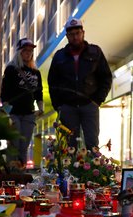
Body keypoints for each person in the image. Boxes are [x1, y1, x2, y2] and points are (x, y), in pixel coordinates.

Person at [47, 18, 112, 150]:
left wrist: (97, 100)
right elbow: (52, 82)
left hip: (89, 104)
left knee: (92, 143)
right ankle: (69, 170)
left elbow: (106, 77)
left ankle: (92, 170)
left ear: (83, 33)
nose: (75, 37)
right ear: (67, 36)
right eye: (71, 34)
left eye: (78, 33)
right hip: (68, 107)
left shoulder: (95, 52)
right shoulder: (59, 56)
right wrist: (58, 105)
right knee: (70, 146)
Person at [0, 37, 44, 167]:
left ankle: (21, 175)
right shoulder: (11, 69)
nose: (28, 53)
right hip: (14, 113)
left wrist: (41, 108)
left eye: (30, 51)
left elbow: (38, 92)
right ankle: (10, 176)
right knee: (14, 144)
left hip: (29, 113)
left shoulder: (36, 72)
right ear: (19, 52)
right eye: (25, 50)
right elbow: (4, 93)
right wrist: (6, 113)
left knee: (24, 146)